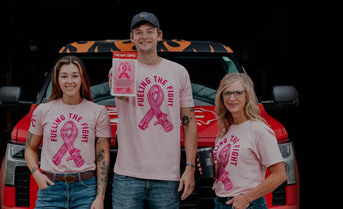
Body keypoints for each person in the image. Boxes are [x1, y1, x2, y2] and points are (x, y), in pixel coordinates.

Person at [110, 12, 198, 209]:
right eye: (138, 32)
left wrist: (190, 167)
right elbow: (122, 96)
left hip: (167, 176)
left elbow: (189, 122)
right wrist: (120, 75)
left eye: (150, 31)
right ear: (131, 38)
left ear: (159, 35)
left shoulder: (178, 72)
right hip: (127, 174)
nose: (144, 36)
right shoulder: (122, 67)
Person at [25, 55, 112, 209]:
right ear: (57, 80)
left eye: (74, 76)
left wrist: (100, 197)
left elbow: (102, 157)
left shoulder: (98, 111)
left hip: (85, 190)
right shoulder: (43, 111)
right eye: (64, 76)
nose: (69, 81)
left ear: (82, 79)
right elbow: (29, 148)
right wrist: (36, 174)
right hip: (50, 190)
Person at [198, 73, 287, 209]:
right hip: (221, 203)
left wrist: (247, 198)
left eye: (238, 93)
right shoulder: (224, 132)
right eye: (226, 93)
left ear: (248, 96)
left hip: (248, 204)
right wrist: (216, 170)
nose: (231, 98)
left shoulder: (259, 130)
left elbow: (280, 175)